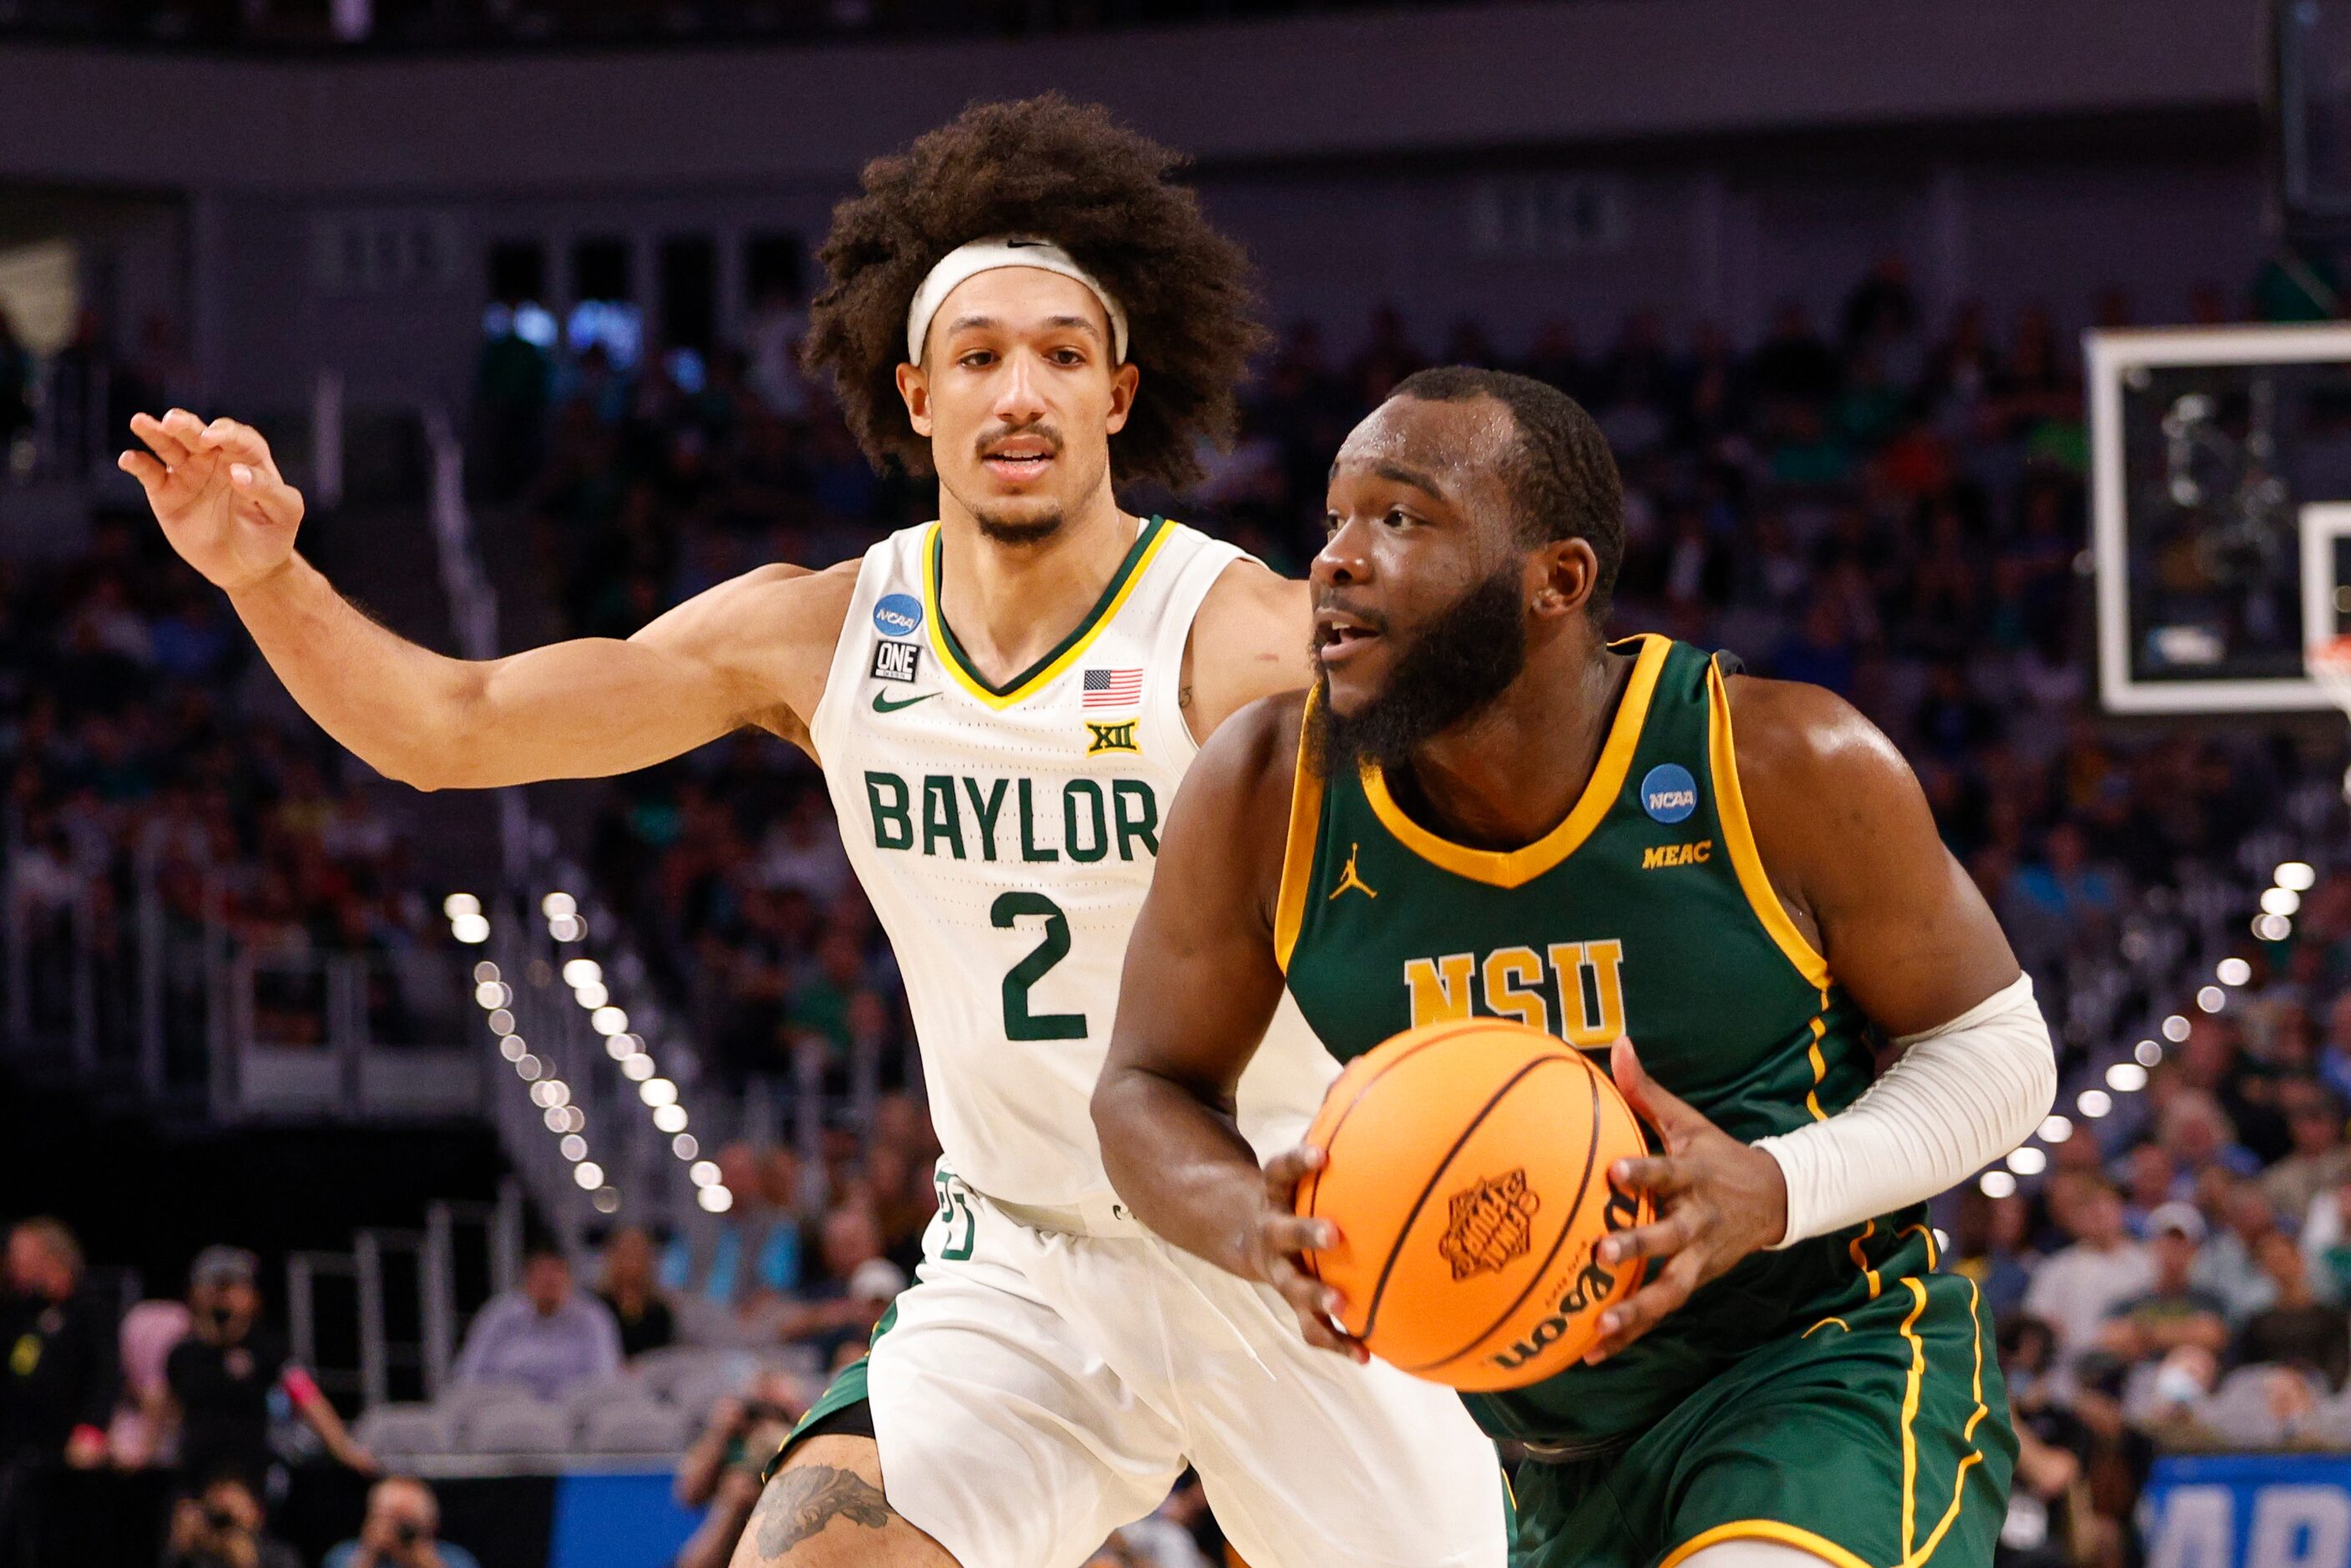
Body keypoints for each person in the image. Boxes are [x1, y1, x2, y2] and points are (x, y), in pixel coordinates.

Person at [120, 94, 1504, 1568]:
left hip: (1283, 1228)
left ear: (1120, 393)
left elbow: (1536, 759)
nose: (1018, 392)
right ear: (916, 394)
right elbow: (448, 728)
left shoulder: (1231, 631)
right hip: (1026, 1258)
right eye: (979, 357)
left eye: (1060, 354)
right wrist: (259, 575)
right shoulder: (824, 633)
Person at [1095, 366, 2060, 1568]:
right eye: (1334, 518)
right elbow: (1145, 1086)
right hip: (1531, 1448)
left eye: (1399, 518)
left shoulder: (1774, 754)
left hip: (1817, 1368)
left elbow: (2000, 1048)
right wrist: (1254, 1223)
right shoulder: (1261, 790)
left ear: (1557, 580)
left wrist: (1773, 1184)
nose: (1336, 560)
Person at [166, 1246, 373, 1490]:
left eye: (231, 1287)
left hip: (250, 1475)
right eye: (214, 1287)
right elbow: (166, 1409)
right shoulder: (182, 1354)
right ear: (193, 1295)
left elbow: (307, 1396)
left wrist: (345, 1449)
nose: (222, 1297)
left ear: (252, 1297)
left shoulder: (269, 1348)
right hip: (196, 1474)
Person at [0, 1219, 116, 1568]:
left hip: (65, 1455)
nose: (12, 1262)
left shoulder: (90, 1310)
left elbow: (106, 1375)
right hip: (20, 1448)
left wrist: (93, 1429)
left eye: (21, 1254)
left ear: (52, 1257)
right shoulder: (24, 1313)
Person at [449, 1247, 623, 1401]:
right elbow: (468, 1375)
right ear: (526, 1280)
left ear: (569, 1278)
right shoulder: (498, 1316)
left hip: (573, 1417)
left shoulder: (592, 1318)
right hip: (507, 1413)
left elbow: (606, 1377)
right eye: (541, 1272)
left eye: (556, 1271)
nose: (549, 1280)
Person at [674, 1372, 807, 1568]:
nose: (766, 1422)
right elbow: (689, 1495)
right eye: (760, 1411)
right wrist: (720, 1433)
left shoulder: (804, 1445)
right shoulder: (732, 1443)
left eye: (778, 1412)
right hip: (724, 1543)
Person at [323, 1474, 483, 1568]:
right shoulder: (344, 1555)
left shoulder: (456, 1559)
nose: (397, 1529)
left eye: (406, 1521)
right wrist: (369, 1554)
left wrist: (426, 1561)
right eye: (389, 1518)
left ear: (432, 1524)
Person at [164, 1470, 302, 1568]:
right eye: (219, 1519)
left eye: (231, 1520)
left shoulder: (280, 1557)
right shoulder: (197, 1557)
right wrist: (180, 1547)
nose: (227, 1531)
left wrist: (249, 1564)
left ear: (257, 1513)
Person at [595, 1227, 676, 1360]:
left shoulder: (660, 1312)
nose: (631, 1261)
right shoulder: (596, 1307)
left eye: (637, 1254)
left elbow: (663, 1356)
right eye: (625, 1253)